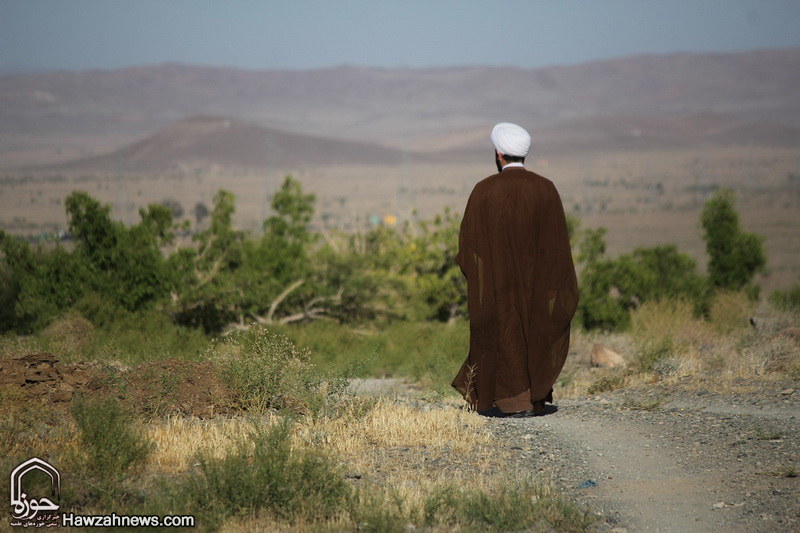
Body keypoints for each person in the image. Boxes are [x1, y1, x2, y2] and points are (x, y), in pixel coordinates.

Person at [451, 122, 578, 417]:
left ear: (498, 154)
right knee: (531, 333)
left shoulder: (484, 190)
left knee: (503, 334)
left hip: (496, 287)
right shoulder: (545, 189)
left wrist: (485, 278)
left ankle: (513, 401)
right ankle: (531, 398)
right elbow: (557, 246)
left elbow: (468, 249)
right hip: (536, 286)